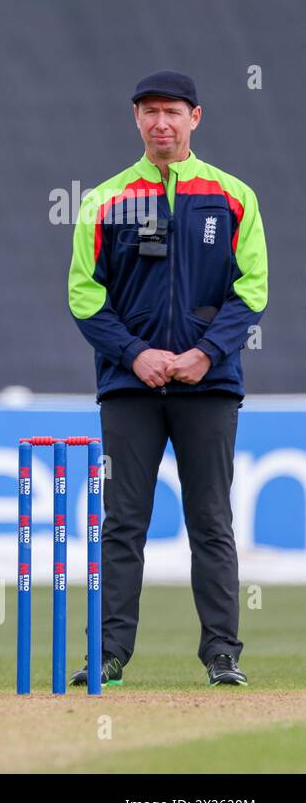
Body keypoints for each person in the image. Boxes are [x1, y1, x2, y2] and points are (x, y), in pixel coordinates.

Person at [67, 70, 267, 687]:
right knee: (123, 521)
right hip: (132, 388)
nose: (161, 123)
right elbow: (83, 294)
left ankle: (221, 655)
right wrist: (135, 354)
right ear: (136, 120)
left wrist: (206, 353)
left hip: (208, 386)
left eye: (173, 112)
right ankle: (108, 654)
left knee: (211, 521)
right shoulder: (105, 199)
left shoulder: (233, 195)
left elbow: (251, 288)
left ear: (195, 118)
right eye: (150, 112)